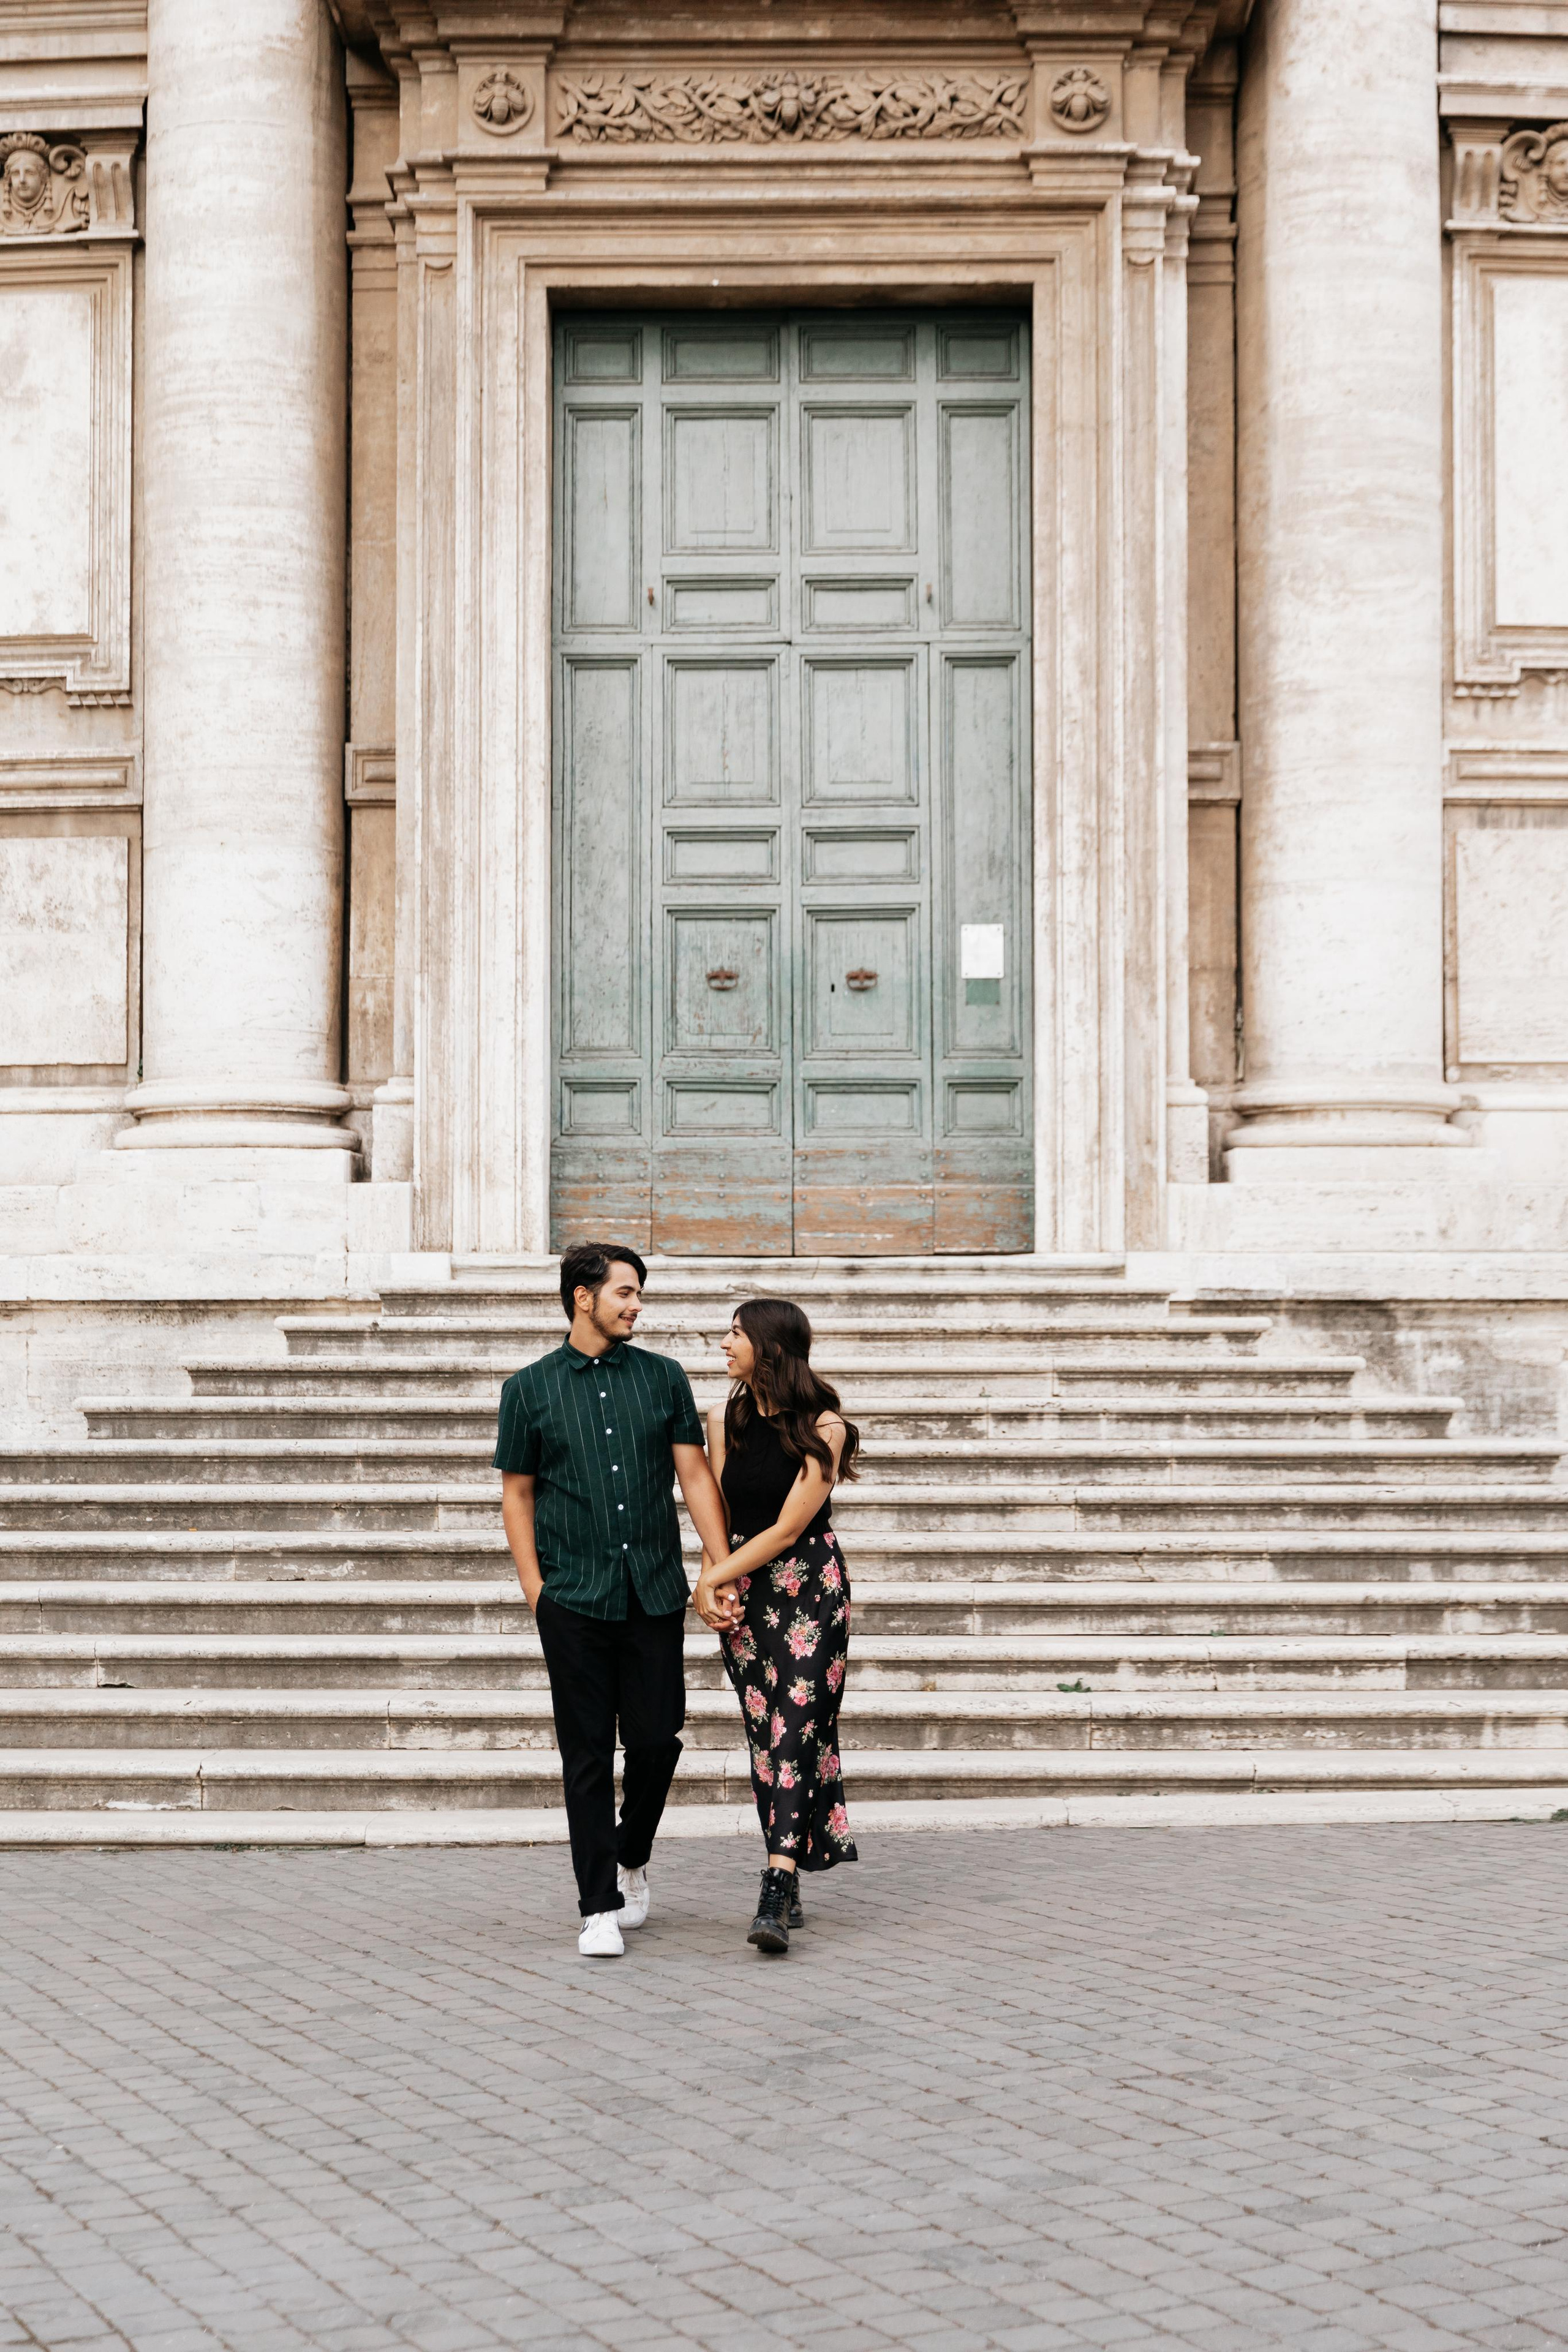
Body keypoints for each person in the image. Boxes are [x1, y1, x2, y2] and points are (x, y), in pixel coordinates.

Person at [496, 1242, 730, 1958]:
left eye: (638, 1295)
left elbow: (694, 1478)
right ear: (582, 1297)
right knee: (587, 1753)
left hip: (652, 1591)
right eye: (624, 1293)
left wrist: (717, 1569)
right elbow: (517, 1495)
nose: (635, 1305)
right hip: (572, 1597)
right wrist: (536, 1591)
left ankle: (632, 1852)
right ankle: (598, 1904)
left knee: (658, 1739)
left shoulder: (662, 1379)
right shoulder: (528, 1388)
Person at [695, 1297, 860, 1953]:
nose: (723, 1344)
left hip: (811, 1591)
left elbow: (791, 1526)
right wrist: (715, 1581)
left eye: (734, 1334)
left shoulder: (825, 1427)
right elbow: (713, 1505)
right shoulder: (722, 1417)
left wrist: (713, 1576)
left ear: (770, 1346)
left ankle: (774, 1882)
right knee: (770, 1736)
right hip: (745, 1594)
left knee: (795, 1728)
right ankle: (789, 1872)